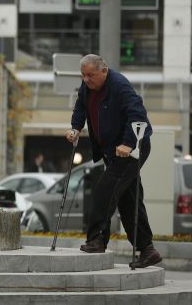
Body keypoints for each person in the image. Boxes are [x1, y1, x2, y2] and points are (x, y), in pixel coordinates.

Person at [66, 54, 161, 268]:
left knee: (105, 190)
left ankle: (97, 239)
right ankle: (147, 249)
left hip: (132, 148)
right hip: (112, 151)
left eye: (90, 75)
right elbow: (81, 107)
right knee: (129, 200)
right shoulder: (87, 87)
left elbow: (138, 114)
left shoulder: (119, 86)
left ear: (104, 71)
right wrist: (75, 127)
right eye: (83, 75)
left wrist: (128, 143)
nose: (86, 79)